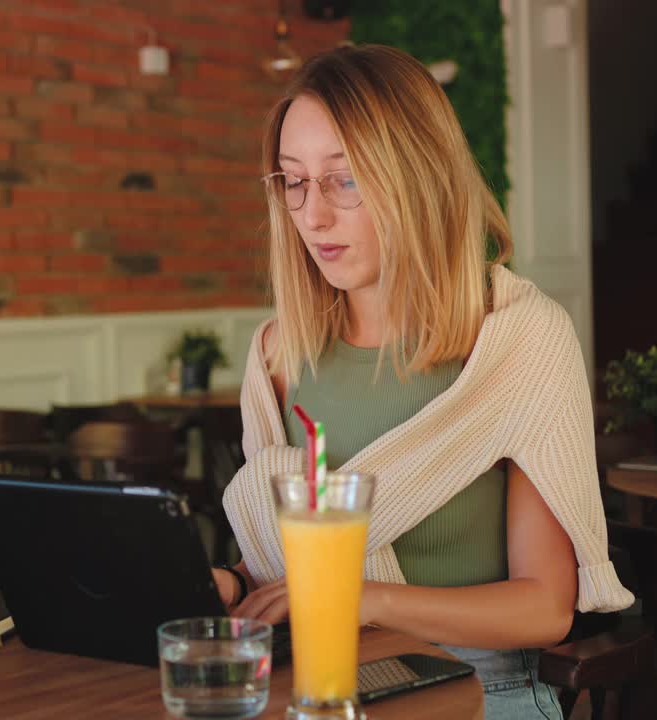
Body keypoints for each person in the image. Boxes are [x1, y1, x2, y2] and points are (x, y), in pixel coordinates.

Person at [208, 44, 633, 719]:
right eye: (293, 180)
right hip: (319, 687)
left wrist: (364, 598)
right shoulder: (277, 354)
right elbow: (289, 567)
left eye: (344, 180)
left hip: (484, 691)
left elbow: (545, 605)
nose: (312, 216)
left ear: (417, 174)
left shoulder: (517, 339)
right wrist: (233, 584)